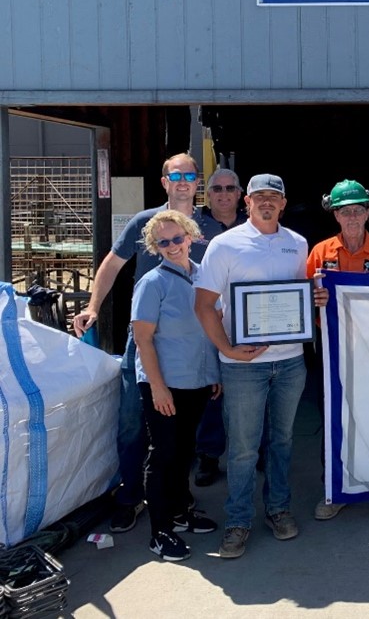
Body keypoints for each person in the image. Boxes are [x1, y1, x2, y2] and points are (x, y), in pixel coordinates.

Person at [72, 152, 222, 534]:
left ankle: (177, 501)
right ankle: (130, 497)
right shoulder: (145, 223)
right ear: (164, 182)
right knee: (132, 422)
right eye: (176, 175)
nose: (184, 181)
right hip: (147, 342)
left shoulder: (210, 228)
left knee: (183, 432)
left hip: (193, 349)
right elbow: (113, 262)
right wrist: (92, 306)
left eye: (191, 175)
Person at [194, 173, 328, 559]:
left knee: (282, 443)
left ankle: (278, 509)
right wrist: (227, 350)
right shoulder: (224, 245)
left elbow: (301, 297)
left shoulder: (298, 244)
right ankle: (238, 522)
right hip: (243, 367)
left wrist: (315, 297)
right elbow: (203, 305)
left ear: (283, 204)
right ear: (246, 203)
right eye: (259, 197)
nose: (266, 202)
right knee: (241, 449)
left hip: (289, 362)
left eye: (274, 197)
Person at [307, 179, 369, 522]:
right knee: (334, 419)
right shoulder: (320, 253)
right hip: (332, 352)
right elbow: (299, 302)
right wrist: (312, 300)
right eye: (345, 211)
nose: (352, 217)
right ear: (335, 215)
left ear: (367, 213)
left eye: (358, 211)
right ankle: (334, 491)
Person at [131, 210, 221, 561]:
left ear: (191, 236)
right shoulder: (152, 284)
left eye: (177, 238)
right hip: (165, 384)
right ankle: (160, 530)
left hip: (196, 381)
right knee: (164, 454)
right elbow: (143, 339)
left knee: (184, 450)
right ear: (155, 246)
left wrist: (213, 372)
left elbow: (210, 330)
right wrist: (157, 387)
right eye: (163, 242)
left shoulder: (203, 277)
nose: (172, 246)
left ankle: (181, 511)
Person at [194, 167, 248, 488]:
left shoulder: (254, 225)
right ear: (208, 194)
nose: (224, 194)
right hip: (205, 321)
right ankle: (208, 455)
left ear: (240, 194)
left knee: (254, 388)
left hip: (246, 320)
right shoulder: (192, 226)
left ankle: (260, 452)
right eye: (217, 189)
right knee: (211, 390)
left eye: (230, 188)